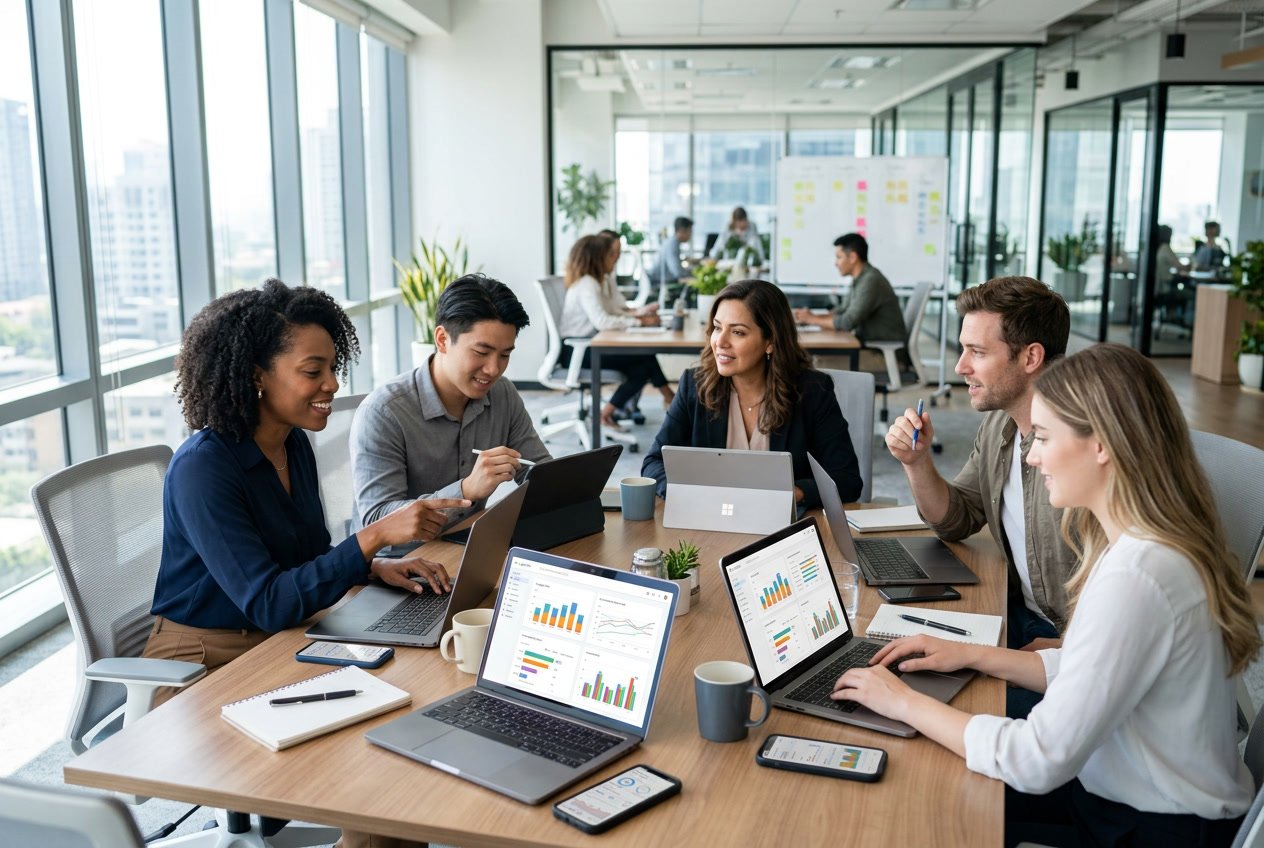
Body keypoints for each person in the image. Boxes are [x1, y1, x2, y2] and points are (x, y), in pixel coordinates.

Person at [832, 343, 1258, 847]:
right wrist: (971, 654)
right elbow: (1093, 668)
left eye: (1044, 437)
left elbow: (1036, 760)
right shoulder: (1138, 541)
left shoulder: (1139, 577)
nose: (1031, 456)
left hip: (1150, 827)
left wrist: (903, 702)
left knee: (922, 803)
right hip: (1130, 793)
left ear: (1101, 444)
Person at [144, 279, 464, 848]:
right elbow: (268, 600)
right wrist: (370, 541)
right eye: (312, 371)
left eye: (333, 367)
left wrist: (372, 569)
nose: (332, 384)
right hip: (205, 659)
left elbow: (307, 558)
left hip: (280, 635)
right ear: (256, 376)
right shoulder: (204, 468)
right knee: (374, 778)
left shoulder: (290, 441)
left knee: (412, 714)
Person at [885, 275, 1074, 719]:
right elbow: (958, 518)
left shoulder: (1083, 454)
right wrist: (916, 464)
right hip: (1016, 613)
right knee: (905, 666)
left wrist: (1073, 646)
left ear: (1031, 357)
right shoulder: (1000, 424)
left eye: (978, 352)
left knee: (947, 712)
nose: (960, 367)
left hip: (1070, 645)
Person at [351, 273, 550, 531]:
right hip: (400, 563)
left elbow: (540, 472)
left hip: (469, 544)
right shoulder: (383, 412)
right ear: (443, 340)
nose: (493, 369)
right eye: (481, 352)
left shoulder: (502, 394)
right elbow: (377, 521)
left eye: (505, 355)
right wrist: (466, 489)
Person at [641, 279, 862, 508]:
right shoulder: (694, 385)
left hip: (783, 527)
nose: (721, 342)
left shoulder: (813, 391)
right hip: (711, 520)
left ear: (770, 342)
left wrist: (792, 493)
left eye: (737, 332)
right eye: (717, 328)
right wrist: (690, 496)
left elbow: (847, 480)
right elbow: (654, 463)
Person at [559, 233, 675, 430]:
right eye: (611, 254)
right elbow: (602, 321)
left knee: (640, 370)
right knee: (645, 357)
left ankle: (605, 413)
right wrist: (640, 322)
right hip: (578, 351)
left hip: (591, 345)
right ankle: (670, 398)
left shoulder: (596, 282)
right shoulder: (587, 284)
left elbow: (611, 311)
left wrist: (639, 318)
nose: (615, 259)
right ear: (597, 257)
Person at [794, 233, 906, 346]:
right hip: (870, 348)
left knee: (818, 360)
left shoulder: (871, 280)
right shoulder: (860, 279)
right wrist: (811, 317)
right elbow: (842, 311)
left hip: (883, 354)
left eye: (839, 257)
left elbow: (847, 322)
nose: (835, 263)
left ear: (852, 257)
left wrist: (812, 320)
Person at [648, 216, 693, 301]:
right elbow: (677, 271)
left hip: (661, 279)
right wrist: (691, 274)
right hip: (660, 282)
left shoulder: (671, 242)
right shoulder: (672, 245)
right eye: (690, 231)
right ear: (682, 231)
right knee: (695, 284)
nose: (690, 235)